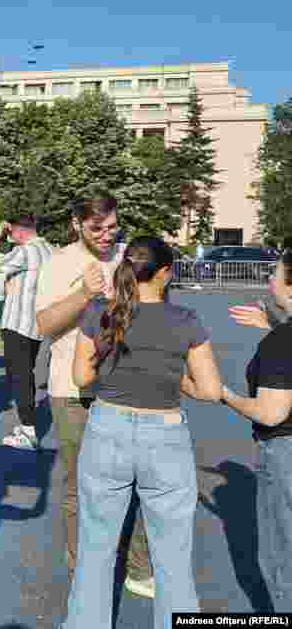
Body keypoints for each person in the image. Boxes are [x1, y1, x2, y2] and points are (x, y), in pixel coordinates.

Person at [62, 236, 221, 629]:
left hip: (107, 428)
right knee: (172, 555)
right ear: (164, 274)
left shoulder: (100, 313)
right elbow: (211, 391)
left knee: (95, 547)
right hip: (164, 434)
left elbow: (81, 377)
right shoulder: (186, 321)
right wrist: (176, 378)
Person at [34, 190, 153, 597]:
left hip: (127, 386)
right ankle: (84, 566)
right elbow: (45, 325)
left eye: (112, 226)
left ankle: (137, 567)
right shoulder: (59, 263)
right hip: (71, 391)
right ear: (76, 225)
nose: (106, 235)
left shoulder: (130, 257)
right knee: (79, 485)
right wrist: (84, 293)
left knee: (133, 480)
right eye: (96, 228)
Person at [221, 248, 292, 610]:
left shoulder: (281, 343)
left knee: (283, 560)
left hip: (285, 455)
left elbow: (270, 413)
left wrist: (225, 396)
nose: (269, 281)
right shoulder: (282, 336)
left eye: (275, 275)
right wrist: (273, 327)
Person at [0, 215, 53, 450]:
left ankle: (28, 430)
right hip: (36, 323)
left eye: (11, 233)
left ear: (19, 232)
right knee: (27, 373)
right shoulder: (48, 249)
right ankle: (28, 423)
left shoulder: (25, 251)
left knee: (19, 376)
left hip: (17, 322)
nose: (10, 237)